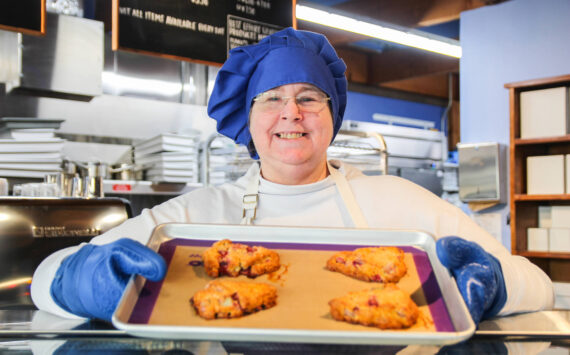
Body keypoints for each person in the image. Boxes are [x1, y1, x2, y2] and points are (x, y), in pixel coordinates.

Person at [31, 27, 553, 326]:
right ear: (248, 117)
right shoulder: (197, 215)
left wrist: (496, 286)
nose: (291, 114)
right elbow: (42, 278)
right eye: (273, 100)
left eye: (309, 98)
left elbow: (540, 285)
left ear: (332, 114)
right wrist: (84, 282)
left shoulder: (403, 204)